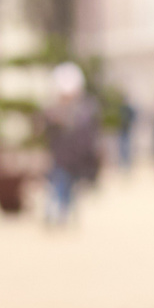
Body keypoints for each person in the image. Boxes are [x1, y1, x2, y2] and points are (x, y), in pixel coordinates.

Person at [42, 63, 97, 227]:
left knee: (71, 188)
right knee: (58, 184)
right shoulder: (53, 111)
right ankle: (56, 212)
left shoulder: (84, 109)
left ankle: (64, 212)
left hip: (76, 158)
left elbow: (88, 136)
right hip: (60, 157)